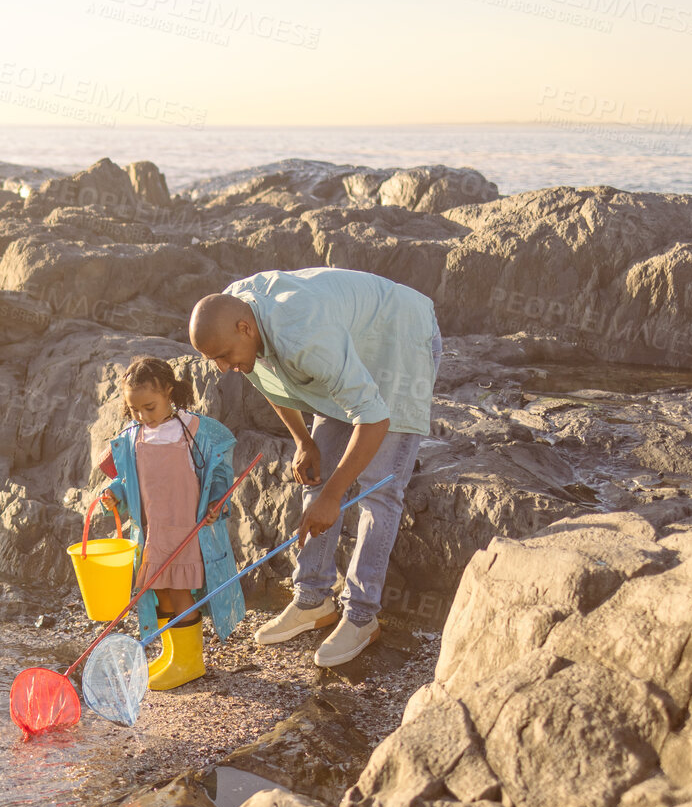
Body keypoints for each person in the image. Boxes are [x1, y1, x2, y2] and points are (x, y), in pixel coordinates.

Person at [188, 267, 443, 667]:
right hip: (348, 350)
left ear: (245, 328)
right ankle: (313, 599)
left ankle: (361, 616)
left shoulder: (304, 335)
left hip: (398, 342)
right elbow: (268, 378)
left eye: (222, 357)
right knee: (316, 476)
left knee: (379, 491)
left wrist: (335, 496)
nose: (221, 367)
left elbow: (373, 418)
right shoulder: (237, 317)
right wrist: (304, 442)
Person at [97, 356, 244, 691]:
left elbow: (220, 475)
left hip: (185, 529)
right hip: (153, 532)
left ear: (169, 392)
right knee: (160, 590)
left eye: (150, 407)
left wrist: (216, 502)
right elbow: (127, 481)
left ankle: (190, 661)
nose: (143, 416)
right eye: (134, 410)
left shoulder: (194, 431)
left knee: (179, 591)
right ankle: (172, 651)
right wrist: (113, 495)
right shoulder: (132, 437)